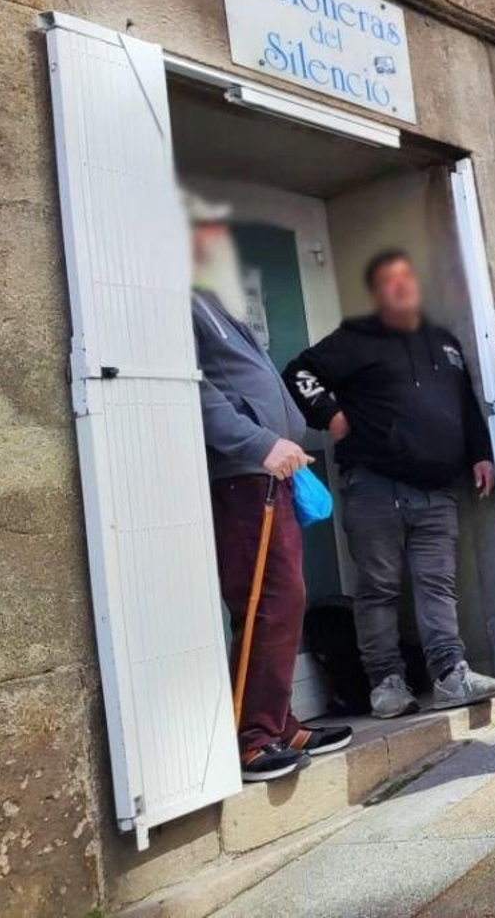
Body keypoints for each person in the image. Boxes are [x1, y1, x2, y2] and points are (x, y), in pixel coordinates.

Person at [284, 250, 495, 718]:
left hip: (437, 490)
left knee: (437, 586)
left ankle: (451, 676)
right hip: (373, 486)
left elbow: (465, 404)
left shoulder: (444, 342)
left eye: (407, 277)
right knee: (379, 588)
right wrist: (331, 415)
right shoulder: (356, 338)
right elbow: (298, 373)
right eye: (389, 281)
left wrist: (481, 454)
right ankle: (386, 685)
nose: (401, 287)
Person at [187, 193, 351, 783]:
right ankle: (253, 738)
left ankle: (277, 721)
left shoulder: (212, 301)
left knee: (284, 602)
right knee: (266, 604)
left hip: (271, 475)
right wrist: (260, 443)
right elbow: (194, 389)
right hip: (242, 476)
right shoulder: (175, 300)